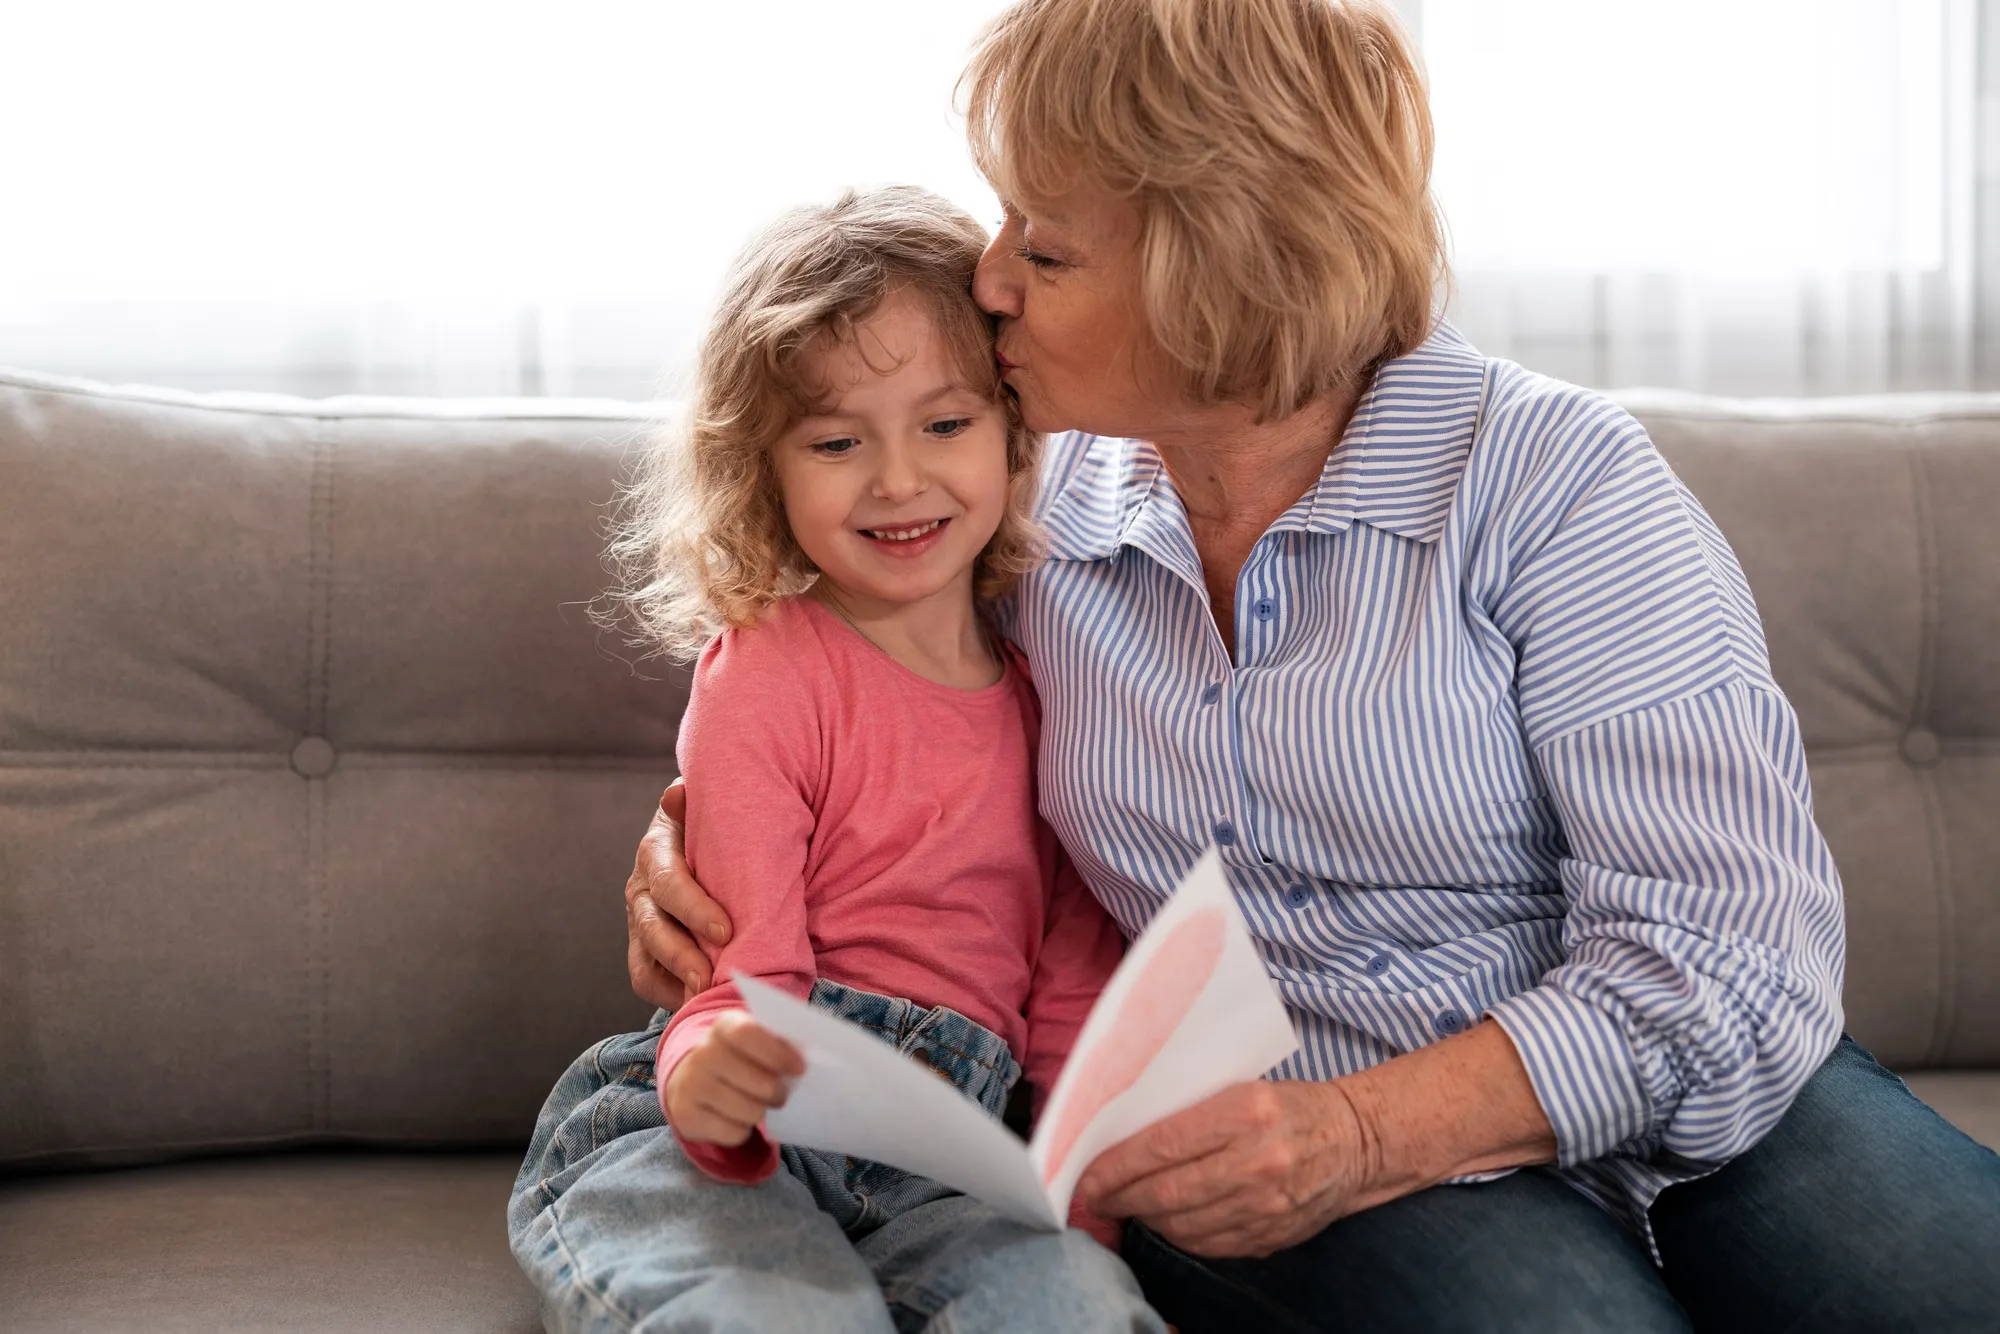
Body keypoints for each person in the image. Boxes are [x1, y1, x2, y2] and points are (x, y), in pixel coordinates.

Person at [621, 1, 2000, 1330]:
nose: (989, 282)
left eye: (1043, 251)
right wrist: (712, 869)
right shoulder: (1010, 514)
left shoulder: (1557, 485)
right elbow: (848, 702)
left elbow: (1728, 954)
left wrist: (1361, 1129)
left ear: (1216, 267)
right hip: (1247, 1142)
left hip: (1682, 1096)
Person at [507, 186, 1164, 1333]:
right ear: (764, 468)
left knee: (1071, 1308)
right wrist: (713, 1086)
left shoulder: (1050, 682)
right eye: (836, 440)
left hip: (951, 1164)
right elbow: (735, 964)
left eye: (944, 425)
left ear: (1017, 439)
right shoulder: (767, 668)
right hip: (726, 1127)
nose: (898, 479)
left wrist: (1080, 1207)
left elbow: (1066, 979)